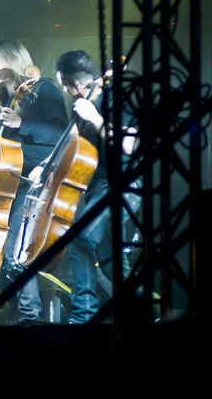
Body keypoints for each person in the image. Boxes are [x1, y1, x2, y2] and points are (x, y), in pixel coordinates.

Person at [0, 39, 69, 322]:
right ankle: (22, 314)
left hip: (35, 181)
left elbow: (62, 135)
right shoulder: (0, 101)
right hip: (4, 183)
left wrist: (23, 124)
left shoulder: (43, 89)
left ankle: (29, 317)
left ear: (13, 59)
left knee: (14, 253)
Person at [53, 50, 140, 324]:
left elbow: (127, 147)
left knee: (80, 239)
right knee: (111, 257)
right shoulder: (80, 106)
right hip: (95, 188)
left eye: (65, 86)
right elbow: (75, 149)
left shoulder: (116, 98)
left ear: (74, 83)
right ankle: (139, 314)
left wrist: (95, 117)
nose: (65, 92)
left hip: (124, 184)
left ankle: (82, 317)